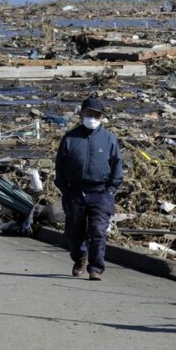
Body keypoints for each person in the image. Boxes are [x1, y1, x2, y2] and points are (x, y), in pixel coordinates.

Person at [54, 97, 122, 281]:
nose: (92, 117)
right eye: (88, 113)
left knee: (98, 232)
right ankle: (80, 257)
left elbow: (117, 165)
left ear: (101, 117)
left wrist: (111, 189)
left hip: (100, 193)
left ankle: (96, 268)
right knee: (74, 233)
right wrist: (64, 189)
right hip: (75, 192)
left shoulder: (108, 139)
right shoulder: (70, 138)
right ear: (81, 114)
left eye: (96, 115)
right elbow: (59, 165)